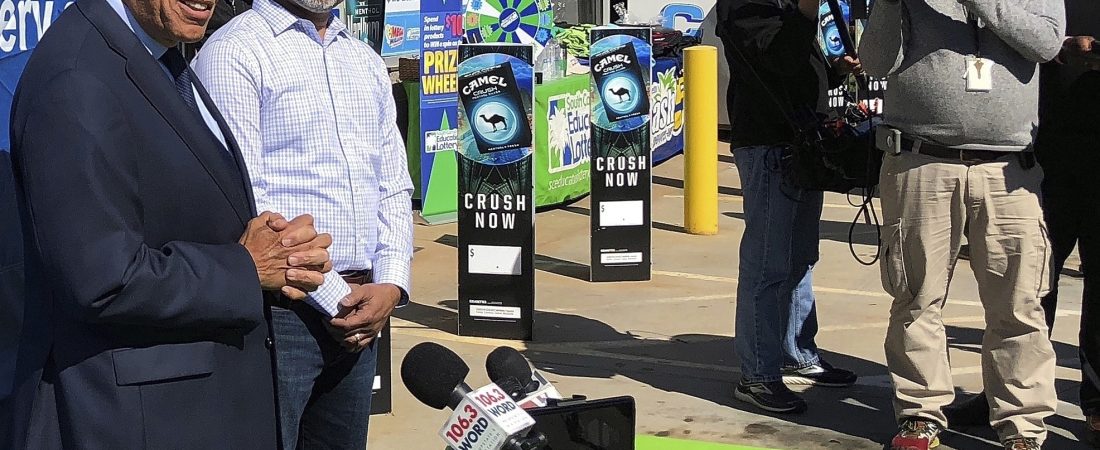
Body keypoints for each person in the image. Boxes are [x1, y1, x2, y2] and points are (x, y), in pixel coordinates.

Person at [3, 0, 336, 446]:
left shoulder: (159, 53)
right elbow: (103, 280)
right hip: (138, 420)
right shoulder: (77, 79)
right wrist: (247, 268)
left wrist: (276, 253)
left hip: (195, 407)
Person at [193, 0, 414, 445]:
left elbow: (391, 184)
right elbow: (248, 204)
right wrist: (340, 297)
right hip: (280, 315)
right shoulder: (235, 51)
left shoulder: (363, 59)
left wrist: (391, 284)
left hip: (361, 317)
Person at [860, 0, 1065, 447]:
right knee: (916, 297)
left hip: (1009, 170)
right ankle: (920, 416)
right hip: (920, 161)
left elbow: (1046, 44)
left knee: (1019, 305)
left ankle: (1023, 428)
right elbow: (876, 62)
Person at [944, 0, 1100, 443]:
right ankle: (1006, 394)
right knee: (1024, 285)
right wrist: (1057, 47)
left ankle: (1096, 402)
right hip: (1040, 154)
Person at [715, 0, 860, 415]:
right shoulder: (744, 6)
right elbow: (777, 61)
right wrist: (804, 12)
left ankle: (797, 351)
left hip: (800, 144)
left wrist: (835, 69)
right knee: (767, 263)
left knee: (800, 257)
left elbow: (794, 68)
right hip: (767, 145)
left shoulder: (782, 9)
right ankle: (758, 374)